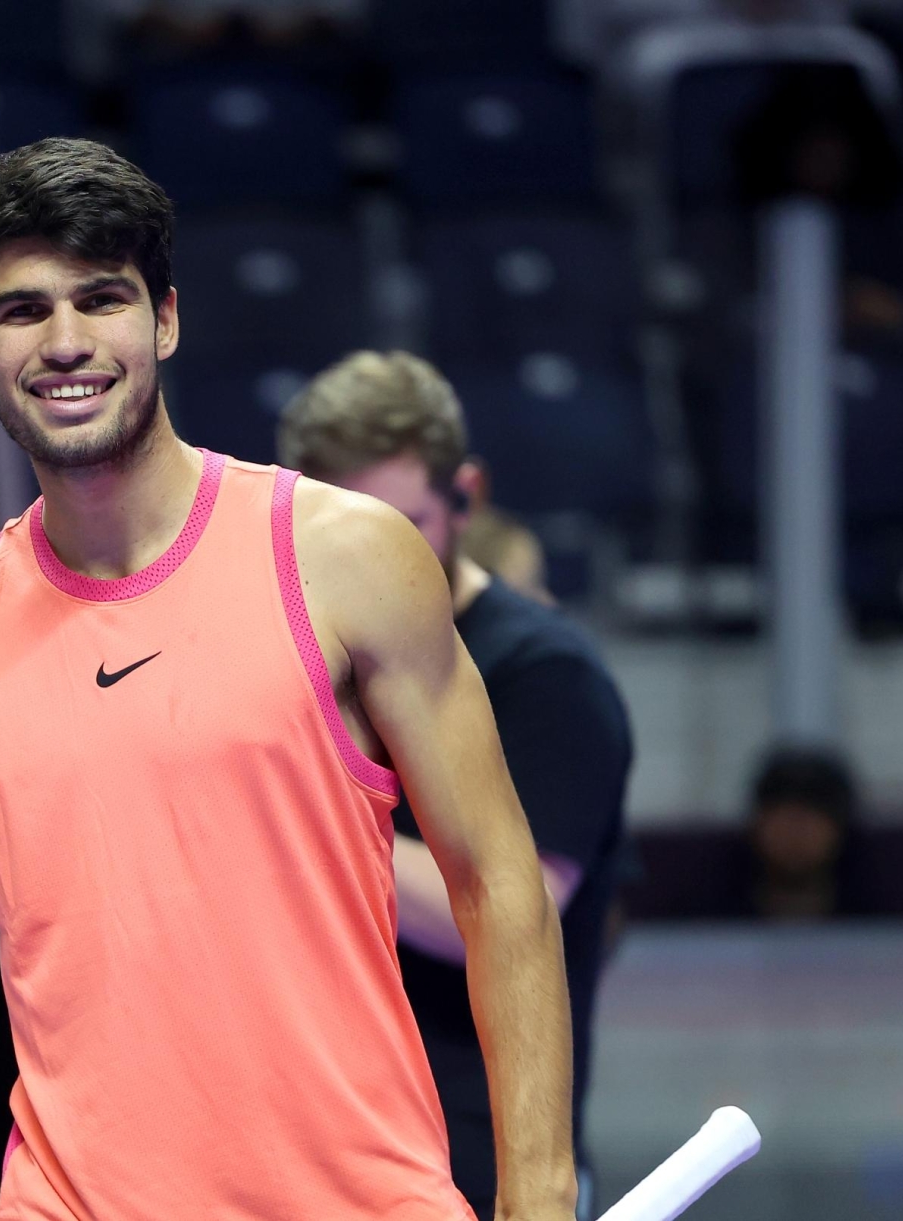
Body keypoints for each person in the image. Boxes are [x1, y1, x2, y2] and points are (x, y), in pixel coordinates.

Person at [0, 136, 575, 1220]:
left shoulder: (345, 557)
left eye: (102, 299)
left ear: (167, 320)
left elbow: (500, 885)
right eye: (22, 310)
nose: (65, 342)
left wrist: (539, 1195)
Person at [278, 350, 634, 1221]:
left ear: (466, 493)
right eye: (340, 523)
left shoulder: (547, 674)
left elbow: (511, 906)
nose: (369, 555)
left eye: (403, 523)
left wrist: (286, 812)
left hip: (475, 1157)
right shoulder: (291, 657)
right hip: (307, 1147)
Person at [743, 745, 860, 921]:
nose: (794, 835)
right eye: (784, 820)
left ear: (838, 830)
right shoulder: (712, 914)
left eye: (808, 822)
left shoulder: (880, 916)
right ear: (757, 826)